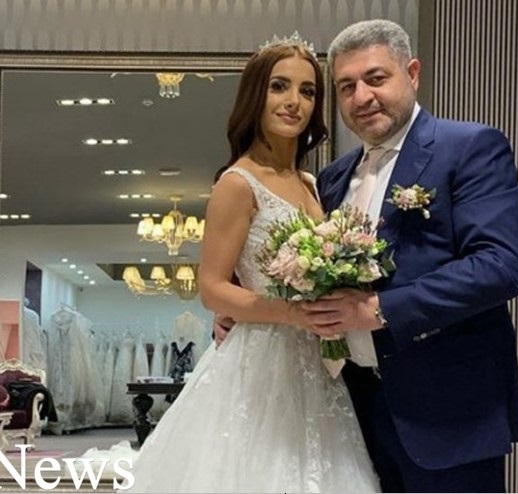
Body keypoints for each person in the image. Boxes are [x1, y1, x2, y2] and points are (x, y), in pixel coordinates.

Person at [126, 38, 380, 493]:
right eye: (279, 86)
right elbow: (212, 288)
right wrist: (291, 312)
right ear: (255, 96)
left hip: (315, 361)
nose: (294, 101)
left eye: (307, 91)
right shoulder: (237, 182)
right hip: (260, 361)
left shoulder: (310, 182)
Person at [299, 19, 518, 492]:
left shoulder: (469, 146)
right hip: (353, 412)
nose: (362, 97)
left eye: (376, 78)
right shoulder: (333, 178)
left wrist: (380, 309)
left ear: (413, 74)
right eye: (347, 86)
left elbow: (500, 265)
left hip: (448, 412)